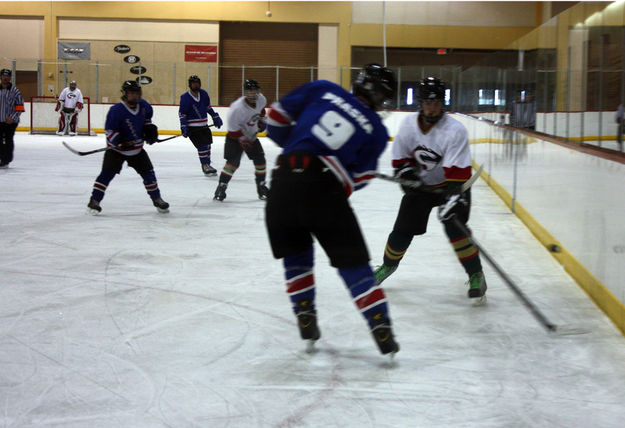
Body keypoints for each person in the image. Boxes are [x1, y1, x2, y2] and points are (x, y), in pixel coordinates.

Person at [264, 64, 400, 356]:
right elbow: (359, 179)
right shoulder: (376, 130)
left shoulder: (322, 88)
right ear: (381, 98)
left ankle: (305, 315)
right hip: (324, 189)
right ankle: (381, 326)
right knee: (354, 265)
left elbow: (274, 119)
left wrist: (300, 148)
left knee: (296, 256)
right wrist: (333, 177)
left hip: (283, 180)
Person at [373, 77, 487, 302]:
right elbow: (400, 160)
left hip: (451, 187)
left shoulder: (455, 130)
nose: (431, 107)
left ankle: (476, 274)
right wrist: (406, 175)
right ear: (420, 103)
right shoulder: (407, 125)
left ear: (442, 103)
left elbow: (457, 171)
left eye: (435, 103)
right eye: (427, 102)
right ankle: (387, 266)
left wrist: (454, 198)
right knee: (403, 228)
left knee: (456, 229)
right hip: (422, 187)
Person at [87, 80, 169, 215]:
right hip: (116, 151)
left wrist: (150, 132)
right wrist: (120, 140)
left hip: (137, 150)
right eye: (131, 93)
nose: (134, 96)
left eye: (136, 93)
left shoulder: (144, 106)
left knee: (149, 175)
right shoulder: (116, 111)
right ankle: (94, 200)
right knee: (106, 176)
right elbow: (109, 131)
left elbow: (147, 121)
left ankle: (157, 199)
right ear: (125, 94)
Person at [213, 79, 268, 201]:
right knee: (232, 163)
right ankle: (221, 186)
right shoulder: (236, 109)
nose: (253, 94)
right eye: (250, 91)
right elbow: (233, 131)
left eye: (254, 91)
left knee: (260, 161)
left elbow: (261, 110)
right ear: (245, 92)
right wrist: (243, 140)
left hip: (251, 136)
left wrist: (262, 120)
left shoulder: (261, 99)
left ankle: (261, 186)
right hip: (235, 138)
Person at [178, 75, 223, 176]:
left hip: (204, 124)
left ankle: (207, 164)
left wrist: (215, 116)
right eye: (194, 83)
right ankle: (204, 165)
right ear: (190, 85)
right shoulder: (185, 98)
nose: (196, 85)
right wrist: (184, 126)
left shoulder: (203, 94)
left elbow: (208, 107)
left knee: (207, 145)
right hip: (193, 127)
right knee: (202, 146)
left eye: (197, 83)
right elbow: (182, 113)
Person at [0, 68, 24, 168]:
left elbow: (20, 107)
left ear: (10, 78)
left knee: (8, 140)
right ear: (1, 77)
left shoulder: (15, 91)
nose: (5, 78)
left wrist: (12, 118)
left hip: (11, 122)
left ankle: (7, 160)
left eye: (7, 76)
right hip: (0, 121)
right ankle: (2, 158)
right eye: (3, 76)